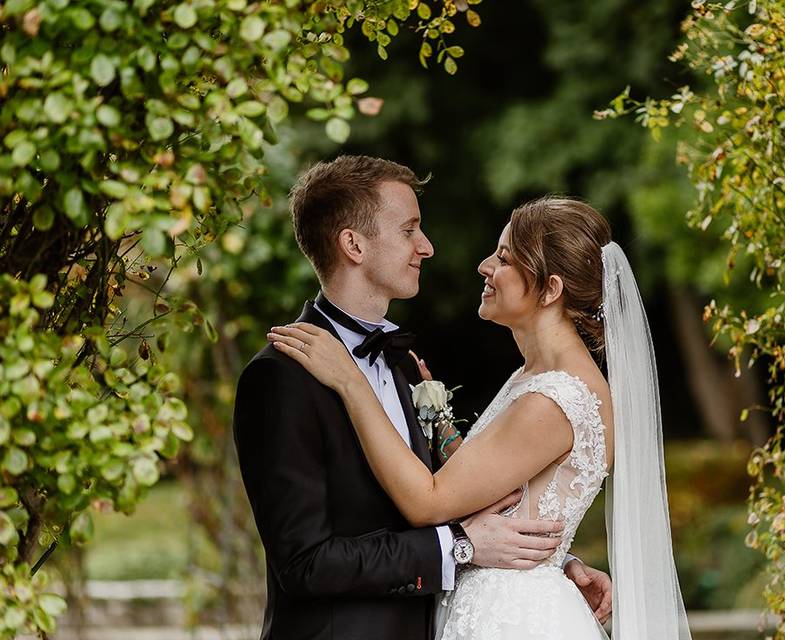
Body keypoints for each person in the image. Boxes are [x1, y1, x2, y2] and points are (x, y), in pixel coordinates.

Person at [269, 195, 693, 639]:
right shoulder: (534, 377)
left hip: (511, 619)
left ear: (550, 289)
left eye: (505, 258)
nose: (484, 266)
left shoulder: (555, 397)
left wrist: (351, 383)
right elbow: (501, 491)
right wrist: (438, 422)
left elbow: (429, 501)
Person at [233, 156, 612, 640]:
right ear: (353, 244)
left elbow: (459, 494)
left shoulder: (405, 365)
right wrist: (464, 547)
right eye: (410, 229)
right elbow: (305, 563)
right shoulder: (281, 377)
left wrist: (549, 557)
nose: (427, 247)